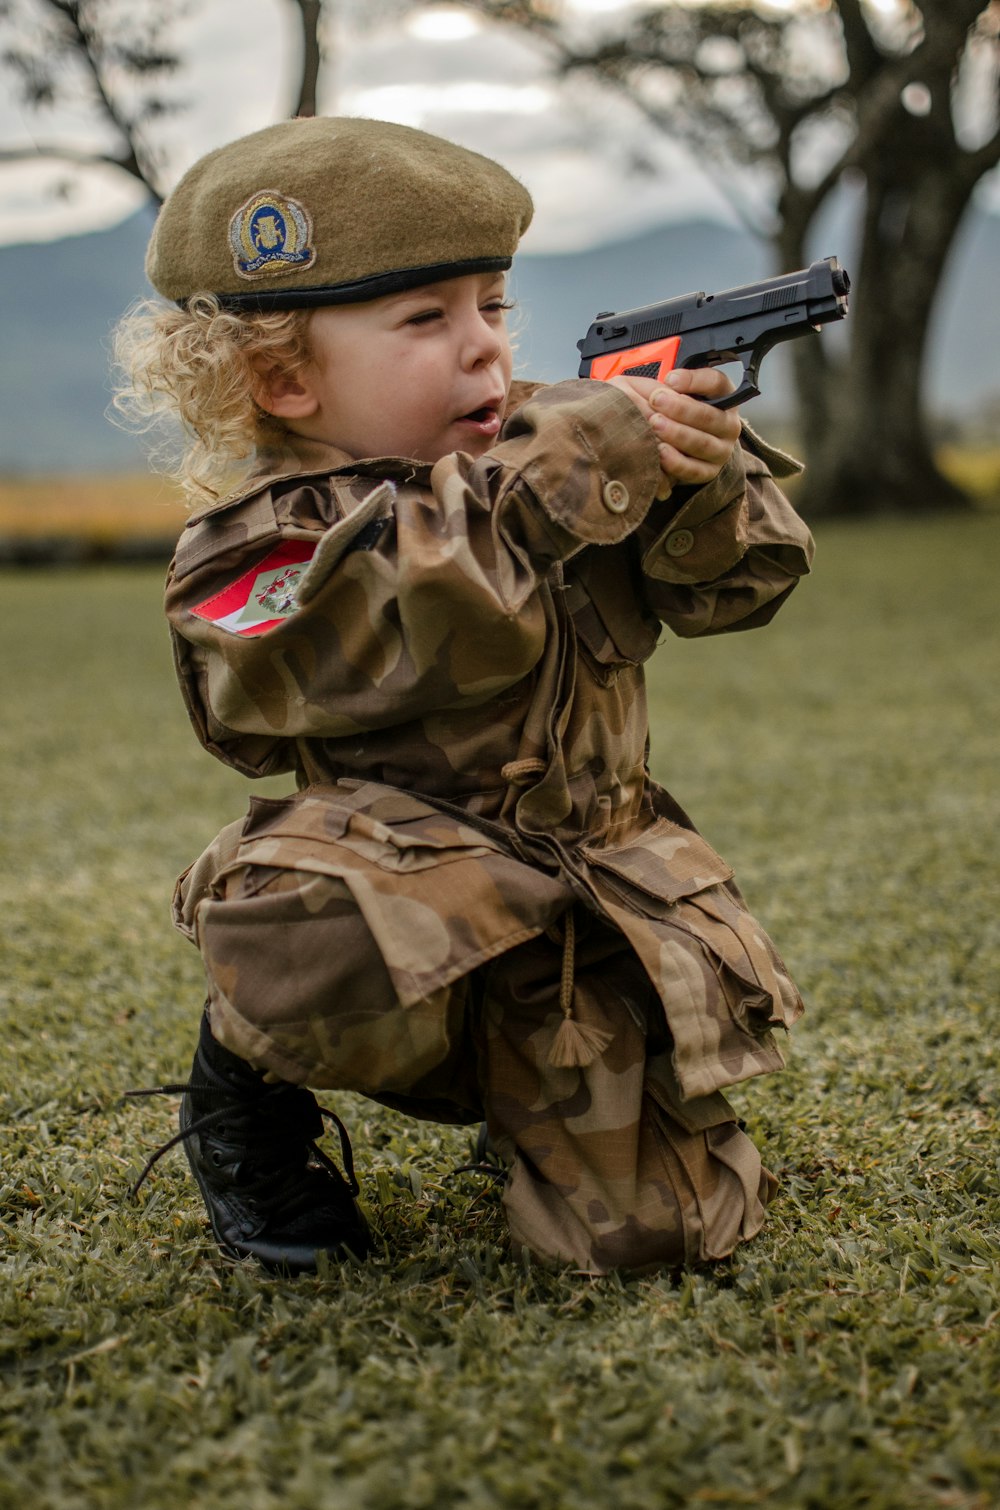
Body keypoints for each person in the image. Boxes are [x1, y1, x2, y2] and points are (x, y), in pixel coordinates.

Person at [116, 115, 814, 1277]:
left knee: (650, 1239)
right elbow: (300, 665)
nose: (485, 350)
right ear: (281, 375)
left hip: (581, 906)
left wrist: (701, 478)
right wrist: (551, 478)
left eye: (492, 304)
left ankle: (527, 1096)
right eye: (425, 319)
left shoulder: (553, 453)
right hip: (395, 920)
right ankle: (244, 1099)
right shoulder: (262, 536)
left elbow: (735, 591)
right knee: (307, 903)